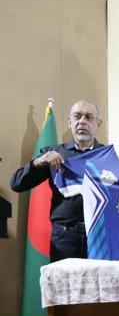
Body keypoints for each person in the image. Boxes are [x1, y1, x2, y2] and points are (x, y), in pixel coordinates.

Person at [10, 100, 105, 261]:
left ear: (98, 123)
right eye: (77, 117)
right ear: (70, 122)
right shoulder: (53, 153)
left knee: (101, 279)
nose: (82, 121)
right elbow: (17, 184)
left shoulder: (108, 155)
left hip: (100, 236)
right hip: (65, 238)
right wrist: (38, 162)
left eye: (88, 117)